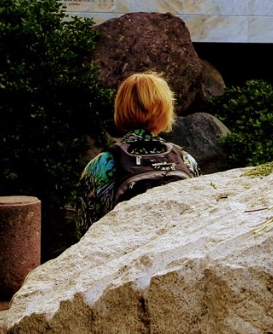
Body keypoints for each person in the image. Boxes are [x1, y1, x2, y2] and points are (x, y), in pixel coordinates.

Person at [73, 72, 200, 236]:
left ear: (120, 108)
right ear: (165, 111)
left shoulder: (101, 165)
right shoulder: (185, 160)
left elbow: (84, 233)